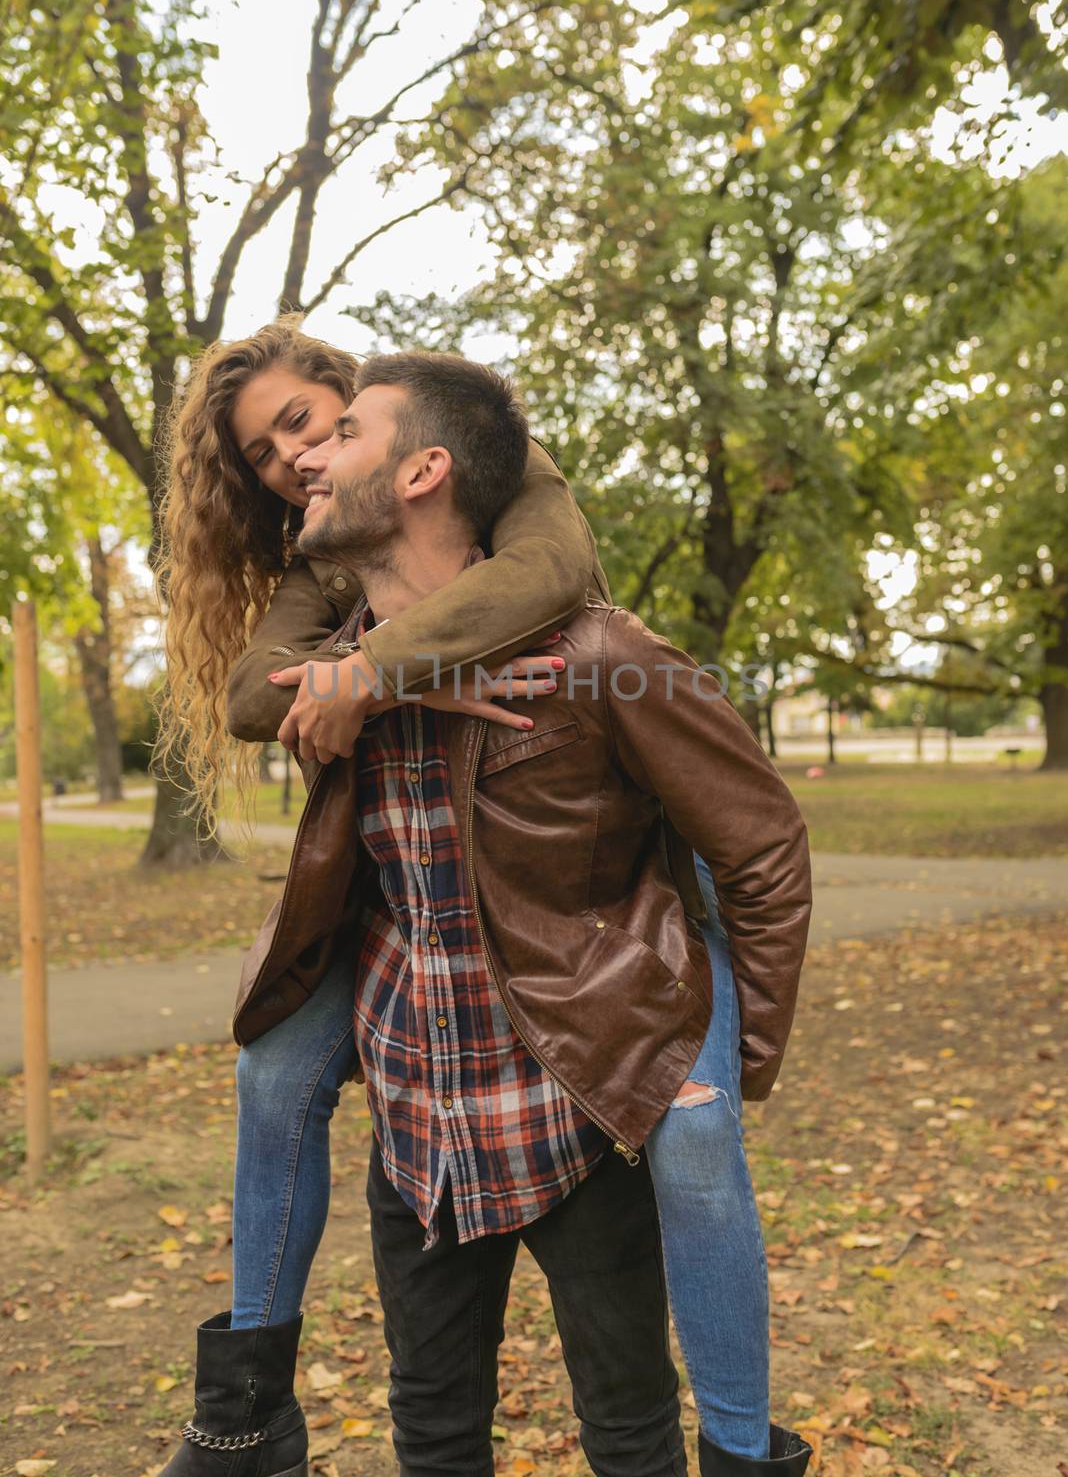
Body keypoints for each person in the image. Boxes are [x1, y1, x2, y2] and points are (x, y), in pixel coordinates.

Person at [158, 328, 813, 1475]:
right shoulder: (329, 621)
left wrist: (732, 1045)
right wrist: (384, 671)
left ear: (402, 450)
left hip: (579, 1067)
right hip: (423, 1114)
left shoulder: (572, 605)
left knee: (691, 1165)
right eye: (266, 454)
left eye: (317, 425)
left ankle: (746, 1452)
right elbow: (256, 698)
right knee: (276, 1083)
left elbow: (755, 839)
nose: (295, 460)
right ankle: (247, 1406)